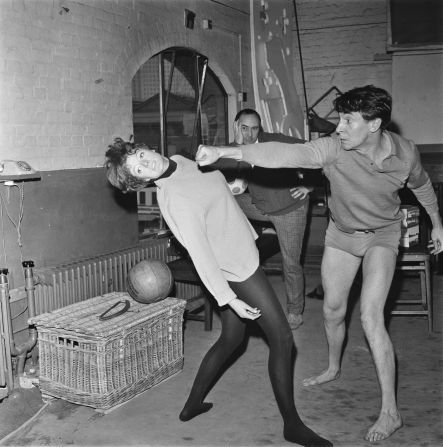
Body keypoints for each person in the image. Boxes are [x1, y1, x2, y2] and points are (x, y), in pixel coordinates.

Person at [195, 85, 443, 443]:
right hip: (342, 235)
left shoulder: (405, 153)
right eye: (339, 119)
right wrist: (224, 151)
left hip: (382, 236)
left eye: (347, 120)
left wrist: (437, 221)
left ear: (373, 124)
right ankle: (333, 365)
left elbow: (421, 186)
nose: (338, 127)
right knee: (332, 310)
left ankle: (391, 412)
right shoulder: (334, 148)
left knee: (371, 316)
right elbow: (283, 154)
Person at [104, 138, 332, 447]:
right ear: (140, 181)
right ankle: (292, 425)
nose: (147, 164)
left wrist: (231, 183)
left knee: (231, 339)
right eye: (139, 170)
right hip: (236, 269)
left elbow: (210, 190)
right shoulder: (174, 200)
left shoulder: (180, 161)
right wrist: (230, 299)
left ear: (145, 147)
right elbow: (200, 254)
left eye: (141, 156)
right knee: (283, 339)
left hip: (240, 250)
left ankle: (192, 405)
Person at [209, 108, 315, 330]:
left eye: (254, 129)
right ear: (237, 125)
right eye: (244, 128)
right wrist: (237, 144)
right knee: (225, 198)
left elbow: (314, 151)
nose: (249, 134)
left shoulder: (274, 141)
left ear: (261, 129)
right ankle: (246, 238)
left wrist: (310, 185)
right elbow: (214, 165)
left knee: (291, 262)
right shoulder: (232, 147)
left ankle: (295, 311)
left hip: (289, 209)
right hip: (259, 206)